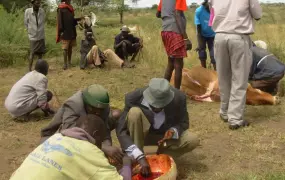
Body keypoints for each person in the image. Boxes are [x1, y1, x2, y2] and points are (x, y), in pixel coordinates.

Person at [116, 78, 199, 177]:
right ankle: (136, 159)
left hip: (162, 140)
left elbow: (184, 123)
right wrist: (139, 156)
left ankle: (159, 158)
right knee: (134, 113)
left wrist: (173, 131)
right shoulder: (133, 98)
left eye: (161, 105)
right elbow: (121, 131)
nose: (157, 108)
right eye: (153, 104)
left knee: (192, 139)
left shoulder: (179, 98)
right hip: (141, 137)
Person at [10, 115, 132, 180]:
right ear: (95, 135)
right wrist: (127, 164)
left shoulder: (55, 138)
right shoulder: (90, 151)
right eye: (101, 139)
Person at [209, 0, 262, 129]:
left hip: (219, 36)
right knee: (239, 79)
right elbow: (257, 14)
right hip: (238, 37)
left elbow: (212, 10)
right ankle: (235, 118)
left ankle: (225, 112)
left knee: (223, 77)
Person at [41, 84, 124, 165]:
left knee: (117, 114)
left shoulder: (103, 107)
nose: (98, 113)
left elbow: (105, 132)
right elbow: (70, 137)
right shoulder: (74, 105)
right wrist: (104, 148)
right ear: (86, 103)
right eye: (94, 109)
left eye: (100, 110)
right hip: (61, 136)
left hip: (89, 131)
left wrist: (108, 152)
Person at [156, 0, 192, 90]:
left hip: (165, 31)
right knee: (178, 65)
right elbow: (177, 14)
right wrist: (185, 38)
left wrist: (167, 17)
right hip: (175, 31)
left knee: (171, 63)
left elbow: (158, 14)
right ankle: (177, 93)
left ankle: (163, 90)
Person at [56, 0, 82, 70]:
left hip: (72, 31)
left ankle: (69, 62)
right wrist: (61, 31)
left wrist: (80, 18)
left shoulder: (70, 8)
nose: (70, 0)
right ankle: (65, 64)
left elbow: (72, 20)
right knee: (65, 48)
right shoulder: (61, 8)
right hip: (65, 32)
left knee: (70, 47)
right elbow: (60, 21)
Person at [24, 0, 46, 72]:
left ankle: (39, 69)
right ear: (32, 3)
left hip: (40, 35)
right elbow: (26, 23)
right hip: (32, 36)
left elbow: (43, 21)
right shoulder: (28, 11)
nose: (38, 4)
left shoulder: (42, 11)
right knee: (32, 53)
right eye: (37, 3)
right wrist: (30, 30)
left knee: (40, 53)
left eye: (39, 3)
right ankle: (29, 70)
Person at [194, 0, 216, 70]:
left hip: (212, 35)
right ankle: (204, 70)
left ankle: (216, 72)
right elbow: (198, 27)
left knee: (214, 54)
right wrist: (200, 44)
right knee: (202, 52)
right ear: (206, 2)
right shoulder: (199, 11)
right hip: (202, 34)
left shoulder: (215, 9)